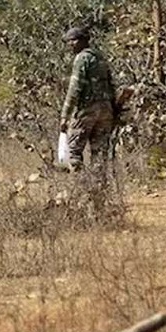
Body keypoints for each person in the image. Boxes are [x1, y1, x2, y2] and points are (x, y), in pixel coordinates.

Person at [58, 27, 116, 214]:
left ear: (82, 40)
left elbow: (74, 89)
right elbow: (111, 84)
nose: (70, 45)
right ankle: (99, 197)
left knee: (74, 151)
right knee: (100, 153)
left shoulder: (82, 58)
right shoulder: (100, 57)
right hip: (105, 110)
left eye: (72, 41)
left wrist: (65, 115)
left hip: (88, 110)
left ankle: (83, 192)